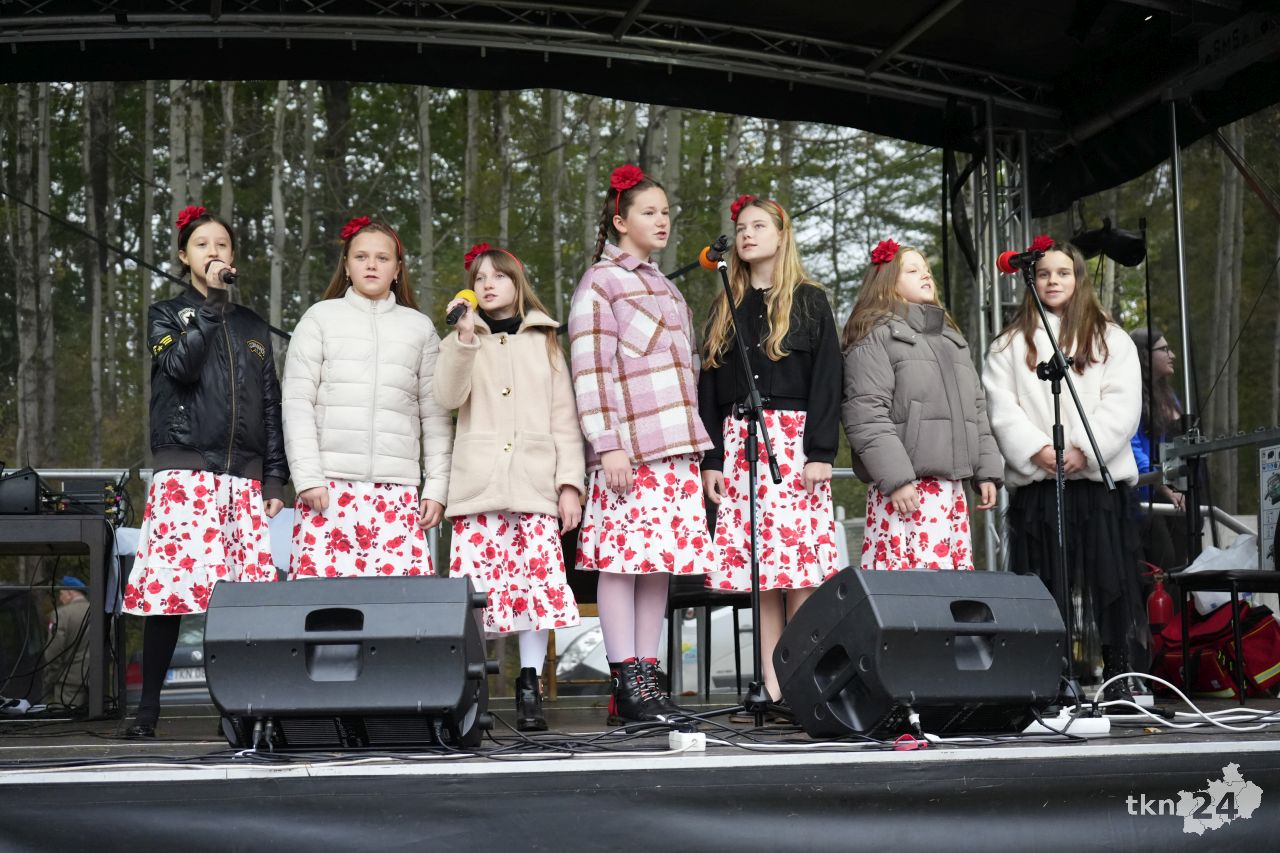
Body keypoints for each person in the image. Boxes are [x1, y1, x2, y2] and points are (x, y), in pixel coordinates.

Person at [123, 205, 286, 737]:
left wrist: (275, 479)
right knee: (169, 596)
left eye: (223, 245)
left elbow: (269, 407)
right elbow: (181, 369)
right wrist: (211, 308)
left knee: (237, 600)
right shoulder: (166, 315)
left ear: (233, 255)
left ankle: (236, 710)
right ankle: (147, 711)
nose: (214, 252)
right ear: (184, 256)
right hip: (186, 472)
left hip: (242, 480)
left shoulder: (253, 326)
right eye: (202, 245)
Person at [569, 163, 714, 727]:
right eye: (649, 212)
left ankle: (648, 681)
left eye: (667, 213)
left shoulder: (669, 288)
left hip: (676, 448)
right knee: (620, 564)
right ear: (620, 220)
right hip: (628, 450)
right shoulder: (600, 283)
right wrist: (607, 444)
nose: (663, 222)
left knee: (659, 567)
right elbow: (590, 370)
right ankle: (624, 679)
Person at [983, 234, 1146, 700]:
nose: (1052, 280)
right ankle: (1051, 679)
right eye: (1043, 274)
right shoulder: (1009, 344)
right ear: (1030, 280)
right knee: (1046, 583)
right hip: (1040, 486)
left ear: (1079, 279)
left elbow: (1122, 403)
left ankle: (1119, 676)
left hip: (1096, 483)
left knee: (1109, 582)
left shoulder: (1110, 336)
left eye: (1062, 272)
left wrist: (1081, 450)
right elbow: (1001, 406)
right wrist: (1038, 449)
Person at [434, 242, 585, 732]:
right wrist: (461, 338)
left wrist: (569, 485)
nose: (488, 285)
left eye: (498, 277)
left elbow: (564, 419)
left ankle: (529, 684)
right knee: (477, 590)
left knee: (535, 589)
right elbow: (448, 396)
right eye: (479, 279)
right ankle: (473, 687)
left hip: (534, 483)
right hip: (480, 484)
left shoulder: (544, 340)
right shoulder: (462, 338)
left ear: (518, 285)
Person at [699, 193, 842, 705]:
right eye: (740, 227)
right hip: (741, 444)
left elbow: (829, 380)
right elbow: (709, 390)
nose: (746, 234)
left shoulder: (809, 300)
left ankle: (804, 681)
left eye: (758, 225)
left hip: (795, 443)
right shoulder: (726, 305)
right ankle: (773, 687)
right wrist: (712, 458)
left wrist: (821, 451)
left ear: (782, 235)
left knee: (799, 571)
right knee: (762, 574)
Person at [282, 216, 452, 579]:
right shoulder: (319, 318)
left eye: (382, 258)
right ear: (346, 266)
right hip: (328, 487)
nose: (371, 264)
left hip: (397, 491)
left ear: (397, 269)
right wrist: (308, 477)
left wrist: (436, 487)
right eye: (361, 257)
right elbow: (297, 403)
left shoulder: (419, 327)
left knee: (396, 611)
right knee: (323, 610)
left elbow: (435, 415)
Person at [842, 239, 1002, 573]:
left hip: (951, 492)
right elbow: (866, 413)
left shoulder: (951, 340)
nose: (925, 275)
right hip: (906, 489)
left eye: (926, 270)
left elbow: (977, 410)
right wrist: (897, 479)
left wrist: (987, 471)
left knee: (949, 595)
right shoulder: (876, 336)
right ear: (887, 283)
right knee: (909, 595)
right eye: (912, 270)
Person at [1129, 327, 1188, 571]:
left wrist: (1174, 486)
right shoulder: (1130, 392)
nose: (1172, 354)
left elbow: (1173, 444)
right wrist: (1161, 485)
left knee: (1179, 560)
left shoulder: (1168, 394)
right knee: (1162, 561)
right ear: (1144, 356)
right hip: (1143, 495)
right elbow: (1131, 446)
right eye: (1164, 349)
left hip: (1166, 490)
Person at [43, 576, 90, 711]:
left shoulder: (61, 614)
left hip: (68, 683)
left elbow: (54, 650)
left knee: (67, 725)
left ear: (70, 593)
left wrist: (50, 677)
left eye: (61, 594)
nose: (60, 599)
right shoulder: (101, 612)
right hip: (97, 683)